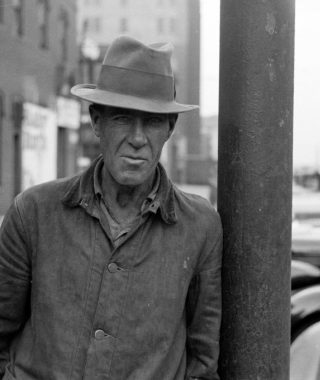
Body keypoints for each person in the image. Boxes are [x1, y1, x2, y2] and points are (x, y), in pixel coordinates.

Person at [0, 36, 222, 379]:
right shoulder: (33, 213)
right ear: (96, 121)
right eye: (122, 117)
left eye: (151, 121)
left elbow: (203, 360)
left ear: (170, 128)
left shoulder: (200, 227)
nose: (137, 137)